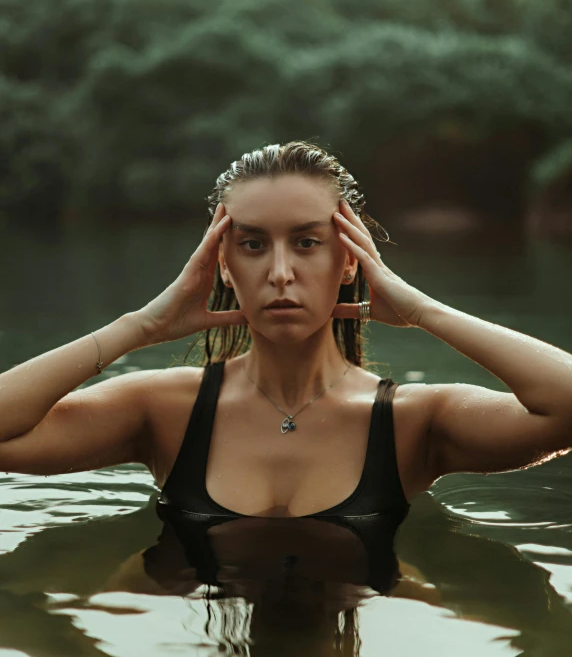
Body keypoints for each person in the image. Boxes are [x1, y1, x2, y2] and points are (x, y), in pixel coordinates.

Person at [1, 139, 571, 598]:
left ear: (349, 259)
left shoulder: (412, 421)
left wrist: (424, 311)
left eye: (306, 242)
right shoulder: (163, 410)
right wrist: (141, 326)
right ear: (222, 266)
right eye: (251, 245)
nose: (279, 272)